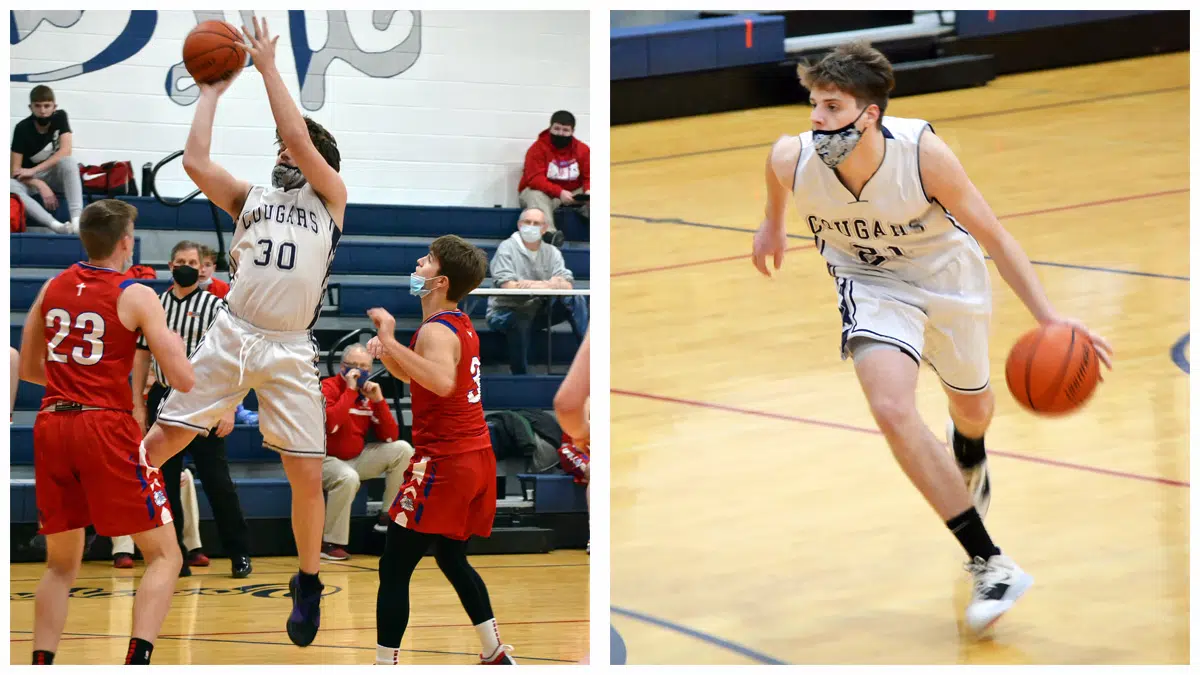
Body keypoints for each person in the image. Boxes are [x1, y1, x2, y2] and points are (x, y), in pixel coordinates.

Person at [750, 42, 1113, 634]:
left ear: (869, 114)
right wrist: (771, 224)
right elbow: (775, 169)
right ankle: (989, 562)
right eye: (813, 103)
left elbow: (993, 235)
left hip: (949, 280)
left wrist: (1051, 319)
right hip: (870, 284)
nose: (816, 118)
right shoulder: (794, 156)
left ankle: (969, 448)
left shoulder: (923, 154)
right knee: (891, 408)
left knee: (973, 408)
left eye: (832, 106)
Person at [139, 17, 345, 648]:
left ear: (316, 161)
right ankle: (143, 538)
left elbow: (294, 131)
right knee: (154, 448)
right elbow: (197, 161)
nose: (283, 152)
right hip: (233, 334)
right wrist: (210, 89)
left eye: (294, 150)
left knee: (306, 475)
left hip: (289, 349)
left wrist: (267, 66)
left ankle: (306, 581)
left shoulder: (332, 197)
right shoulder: (249, 196)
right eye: (282, 149)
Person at [19, 198, 195, 664]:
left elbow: (31, 366)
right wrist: (173, 346)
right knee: (164, 556)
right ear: (125, 242)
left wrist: (77, 375)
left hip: (52, 422)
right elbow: (183, 380)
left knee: (60, 565)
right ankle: (136, 664)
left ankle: (41, 663)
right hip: (103, 425)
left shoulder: (52, 286)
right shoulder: (136, 294)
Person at [365, 235, 516, 665]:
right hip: (474, 457)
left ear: (441, 280)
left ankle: (384, 665)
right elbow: (421, 377)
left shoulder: (435, 330)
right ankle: (493, 650)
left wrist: (390, 341)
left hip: (445, 461)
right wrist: (390, 353)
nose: (418, 262)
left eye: (427, 260)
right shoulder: (456, 323)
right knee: (451, 556)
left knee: (394, 566)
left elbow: (442, 382)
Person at [128, 240, 253, 579]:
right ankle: (175, 554)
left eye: (192, 261)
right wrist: (138, 403)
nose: (186, 265)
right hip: (163, 398)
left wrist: (231, 407)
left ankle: (239, 551)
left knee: (217, 482)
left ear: (202, 267)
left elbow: (235, 358)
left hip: (205, 402)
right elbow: (141, 354)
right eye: (180, 260)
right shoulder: (156, 304)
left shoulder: (217, 305)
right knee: (164, 481)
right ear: (171, 265)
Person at [320, 344, 414, 561]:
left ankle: (387, 517)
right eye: (354, 366)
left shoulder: (368, 394)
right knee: (348, 477)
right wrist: (350, 391)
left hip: (355, 457)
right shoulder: (328, 388)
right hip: (324, 459)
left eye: (364, 367)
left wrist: (379, 401)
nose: (359, 371)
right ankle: (329, 543)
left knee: (403, 449)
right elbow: (331, 425)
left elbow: (390, 436)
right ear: (342, 367)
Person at [486, 207, 588, 375]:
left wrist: (535, 285)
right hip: (505, 313)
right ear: (519, 225)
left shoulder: (552, 252)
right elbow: (508, 285)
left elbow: (568, 285)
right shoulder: (506, 248)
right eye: (528, 222)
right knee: (522, 313)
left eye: (536, 223)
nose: (531, 226)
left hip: (539, 310)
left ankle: (589, 360)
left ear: (544, 228)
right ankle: (521, 376)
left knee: (575, 298)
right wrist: (550, 284)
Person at [10, 85, 84, 234]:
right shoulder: (22, 128)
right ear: (30, 107)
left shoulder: (60, 117)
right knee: (8, 184)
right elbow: (15, 170)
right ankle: (55, 225)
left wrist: (33, 170)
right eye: (38, 106)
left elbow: (65, 151)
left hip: (49, 174)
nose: (42, 111)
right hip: (30, 180)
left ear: (54, 107)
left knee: (68, 161)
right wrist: (39, 184)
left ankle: (77, 220)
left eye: (46, 106)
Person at [518, 110, 590, 232]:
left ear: (572, 132)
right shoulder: (537, 149)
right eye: (557, 129)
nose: (560, 133)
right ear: (550, 128)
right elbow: (535, 180)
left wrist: (588, 191)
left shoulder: (582, 150)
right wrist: (559, 192)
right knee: (535, 194)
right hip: (546, 195)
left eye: (565, 130)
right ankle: (549, 234)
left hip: (573, 194)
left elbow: (589, 176)